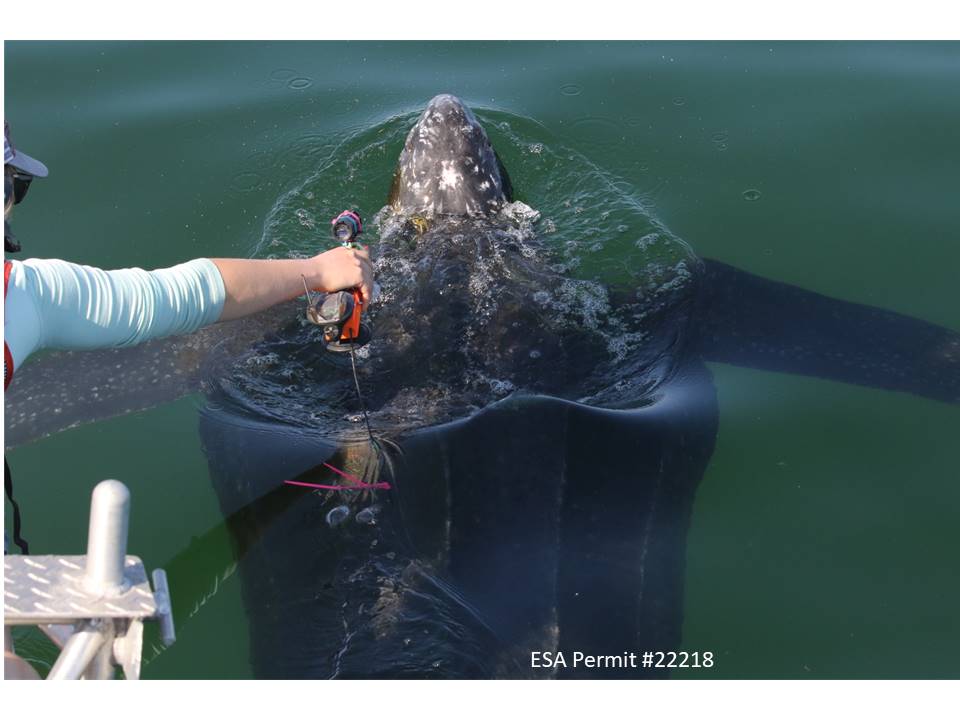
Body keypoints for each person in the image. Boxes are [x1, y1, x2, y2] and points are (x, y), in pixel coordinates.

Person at [3, 121, 374, 679]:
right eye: (11, 188)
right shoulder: (19, 296)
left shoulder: (23, 292)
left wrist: (317, 271)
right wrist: (319, 271)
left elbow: (186, 294)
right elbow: (178, 296)